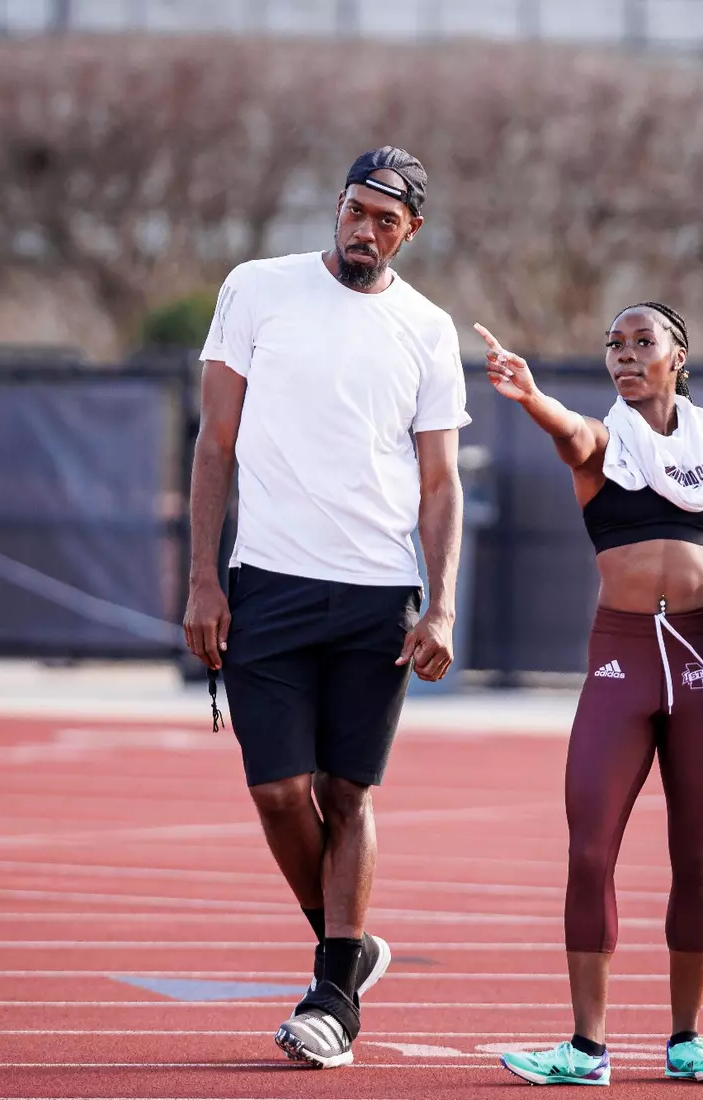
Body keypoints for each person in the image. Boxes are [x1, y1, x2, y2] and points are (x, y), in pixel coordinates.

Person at [182, 146, 469, 1069]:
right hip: (267, 580)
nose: (366, 229)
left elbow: (440, 483)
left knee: (348, 793)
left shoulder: (427, 329)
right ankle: (344, 951)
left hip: (380, 595)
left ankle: (334, 997)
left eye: (387, 220)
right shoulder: (257, 289)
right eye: (356, 210)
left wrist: (442, 607)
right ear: (336, 208)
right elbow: (214, 444)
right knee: (275, 793)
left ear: (410, 231)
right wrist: (202, 577)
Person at [476, 304, 703, 1086]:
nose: (626, 355)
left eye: (644, 343)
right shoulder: (602, 447)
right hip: (624, 657)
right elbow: (570, 433)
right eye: (614, 344)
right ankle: (586, 1049)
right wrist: (532, 396)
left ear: (680, 356)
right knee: (589, 847)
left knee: (696, 857)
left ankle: (687, 1039)